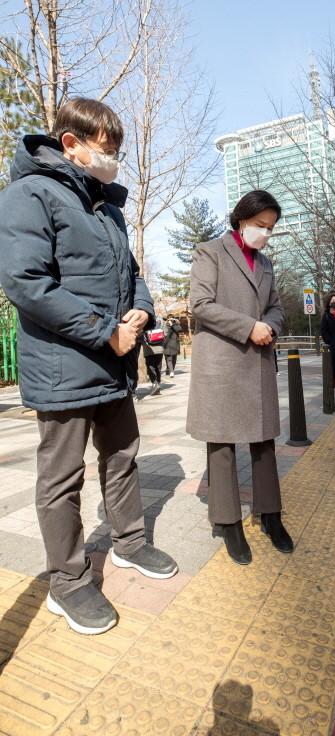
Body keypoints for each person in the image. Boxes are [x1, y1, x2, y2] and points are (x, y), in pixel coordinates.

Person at [0, 98, 178, 635]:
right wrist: (105, 330)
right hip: (64, 367)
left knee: (122, 457)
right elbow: (26, 282)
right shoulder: (30, 194)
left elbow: (133, 274)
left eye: (118, 150)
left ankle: (129, 543)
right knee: (62, 479)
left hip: (114, 365)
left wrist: (141, 309)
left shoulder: (107, 208)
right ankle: (69, 582)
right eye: (107, 149)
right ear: (70, 143)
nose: (114, 160)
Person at [187, 189, 293, 565]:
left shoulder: (265, 263)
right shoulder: (210, 251)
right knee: (221, 445)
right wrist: (249, 327)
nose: (265, 233)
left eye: (271, 228)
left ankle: (271, 515)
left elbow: (276, 307)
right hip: (221, 362)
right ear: (242, 220)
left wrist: (270, 326)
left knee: (264, 442)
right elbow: (200, 305)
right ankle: (228, 521)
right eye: (261, 225)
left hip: (258, 360)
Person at [142, 319, 165, 396]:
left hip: (148, 349)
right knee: (158, 367)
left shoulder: (144, 322)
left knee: (151, 367)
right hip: (159, 348)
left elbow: (140, 336)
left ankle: (155, 384)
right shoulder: (160, 321)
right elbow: (165, 333)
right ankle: (158, 384)